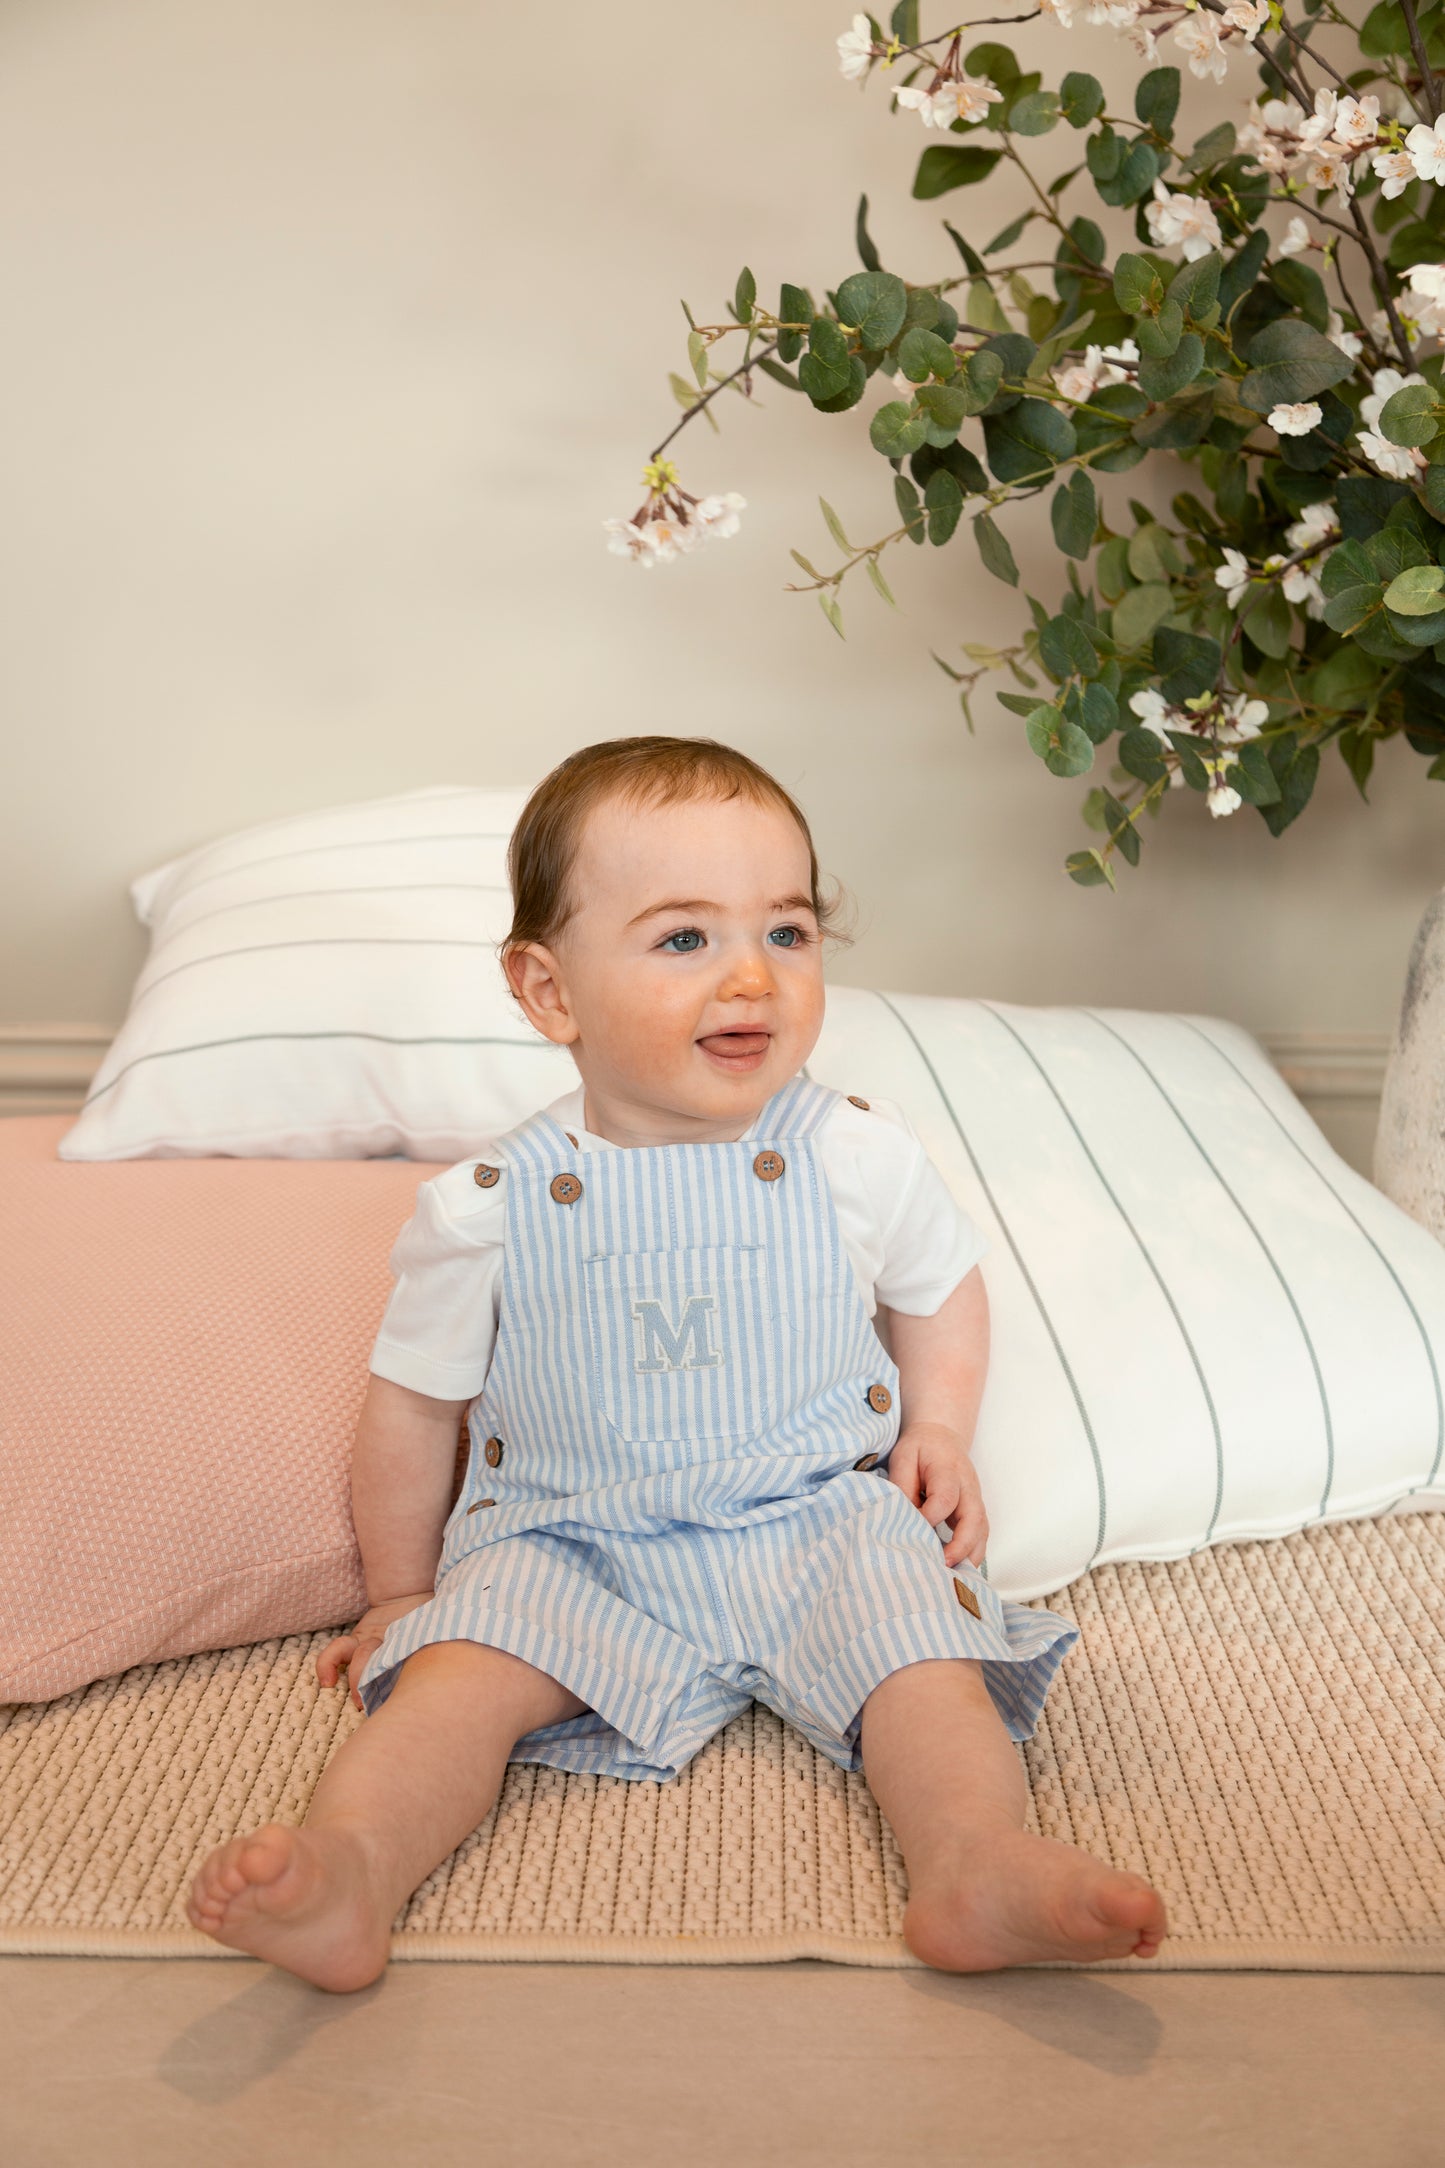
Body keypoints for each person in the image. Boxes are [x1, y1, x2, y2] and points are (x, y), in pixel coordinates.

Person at [187, 735, 1168, 1988]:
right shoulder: (489, 1202)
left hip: (809, 1514)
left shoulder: (851, 1152)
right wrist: (397, 1591)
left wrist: (938, 1425)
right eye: (684, 939)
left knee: (926, 1655)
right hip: (568, 1535)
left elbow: (939, 1288)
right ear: (549, 992)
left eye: (789, 932)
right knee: (452, 1684)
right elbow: (411, 1407)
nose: (752, 977)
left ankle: (974, 1861)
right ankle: (348, 1869)